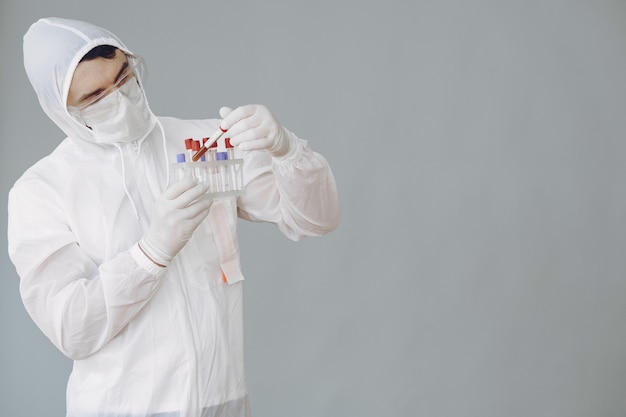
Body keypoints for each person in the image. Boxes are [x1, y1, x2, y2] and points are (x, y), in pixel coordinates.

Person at [7, 17, 340, 417]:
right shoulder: (43, 190)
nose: (120, 98)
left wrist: (288, 151)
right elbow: (73, 329)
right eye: (95, 96)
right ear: (62, 111)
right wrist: (151, 252)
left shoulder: (206, 145)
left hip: (222, 402)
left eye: (124, 77)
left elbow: (316, 220)